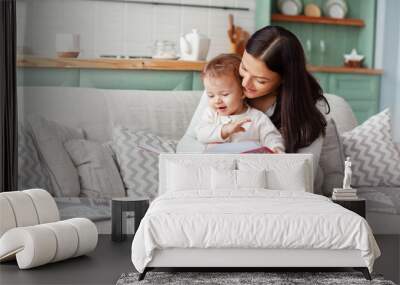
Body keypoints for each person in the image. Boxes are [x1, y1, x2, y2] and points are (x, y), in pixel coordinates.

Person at [177, 25, 330, 176]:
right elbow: (187, 144)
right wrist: (218, 155)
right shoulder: (222, 88)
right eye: (244, 68)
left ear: (284, 80)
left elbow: (307, 171)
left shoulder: (309, 106)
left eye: (260, 80)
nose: (245, 83)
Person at [196, 53, 285, 152]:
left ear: (242, 93)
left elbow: (271, 136)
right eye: (211, 95)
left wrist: (276, 149)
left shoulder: (257, 117)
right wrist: (224, 130)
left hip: (247, 163)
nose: (217, 100)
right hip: (218, 162)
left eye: (225, 94)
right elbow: (200, 134)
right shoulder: (211, 114)